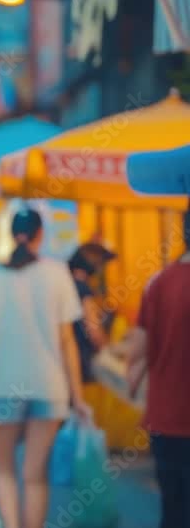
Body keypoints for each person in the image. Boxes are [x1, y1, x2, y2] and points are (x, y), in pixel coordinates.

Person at [0, 208, 91, 528]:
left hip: (2, 385)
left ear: (12, 235)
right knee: (35, 475)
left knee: (3, 469)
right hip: (49, 386)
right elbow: (67, 341)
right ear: (40, 234)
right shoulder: (57, 272)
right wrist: (78, 396)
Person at [127, 210, 190, 528]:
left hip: (167, 418)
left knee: (173, 509)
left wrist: (132, 383)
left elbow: (137, 353)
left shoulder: (158, 282)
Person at [68, 243, 116, 384]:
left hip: (66, 363)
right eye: (101, 265)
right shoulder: (83, 289)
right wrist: (110, 352)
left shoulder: (66, 284)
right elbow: (94, 330)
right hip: (82, 362)